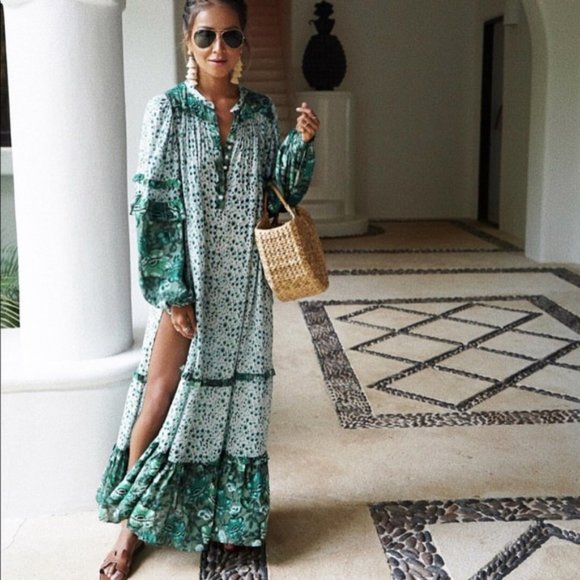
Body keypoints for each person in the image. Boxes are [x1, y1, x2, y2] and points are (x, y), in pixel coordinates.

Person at [97, 0, 320, 577]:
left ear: (243, 42)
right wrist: (174, 290)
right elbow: (152, 203)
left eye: (230, 36)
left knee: (238, 405)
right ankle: (129, 529)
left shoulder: (260, 112)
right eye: (206, 36)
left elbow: (277, 192)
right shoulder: (167, 110)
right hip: (189, 277)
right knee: (160, 392)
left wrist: (299, 145)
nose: (218, 48)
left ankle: (230, 521)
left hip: (244, 284)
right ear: (187, 40)